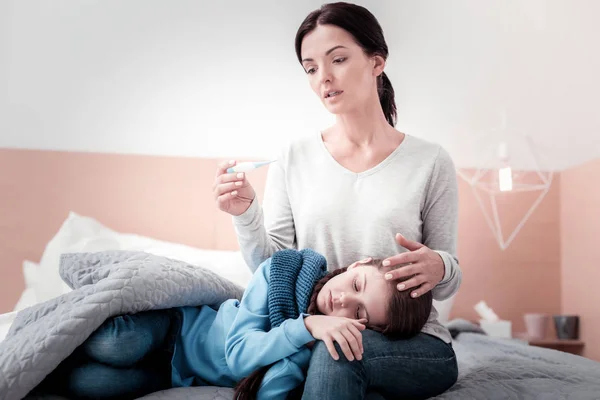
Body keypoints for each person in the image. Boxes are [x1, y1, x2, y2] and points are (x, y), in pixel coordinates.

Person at [213, 2, 461, 399]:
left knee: (341, 351)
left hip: (413, 341)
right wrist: (245, 215)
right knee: (336, 344)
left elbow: (447, 283)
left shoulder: (430, 161)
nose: (324, 78)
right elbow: (272, 268)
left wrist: (440, 266)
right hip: (322, 328)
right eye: (311, 68)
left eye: (339, 59)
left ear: (376, 61)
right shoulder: (294, 157)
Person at [35, 250, 432, 400]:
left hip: (172, 374)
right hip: (177, 328)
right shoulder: (282, 274)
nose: (344, 301)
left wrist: (301, 351)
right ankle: (46, 338)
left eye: (360, 315)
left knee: (89, 386)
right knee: (117, 345)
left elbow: (267, 388)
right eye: (358, 285)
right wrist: (304, 327)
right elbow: (240, 357)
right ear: (358, 265)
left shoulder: (317, 350)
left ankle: (41, 373)